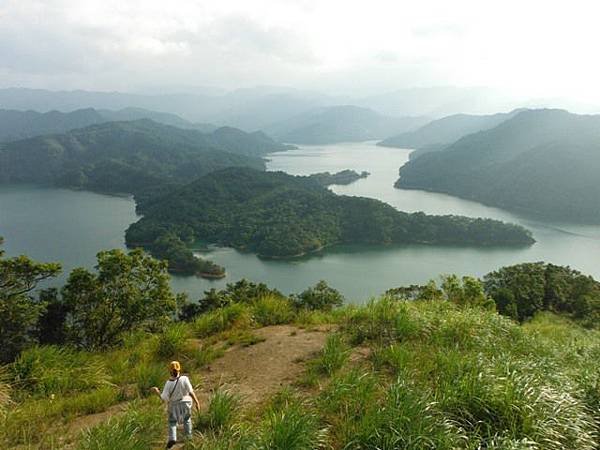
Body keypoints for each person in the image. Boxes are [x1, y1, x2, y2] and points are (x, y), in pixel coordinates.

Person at [151, 360, 201, 449]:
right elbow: (190, 392)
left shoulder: (168, 383)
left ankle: (172, 438)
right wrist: (197, 402)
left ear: (170, 371)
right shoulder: (185, 379)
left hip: (174, 405)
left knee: (172, 422)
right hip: (186, 402)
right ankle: (189, 438)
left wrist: (157, 391)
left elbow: (164, 398)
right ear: (179, 370)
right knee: (187, 420)